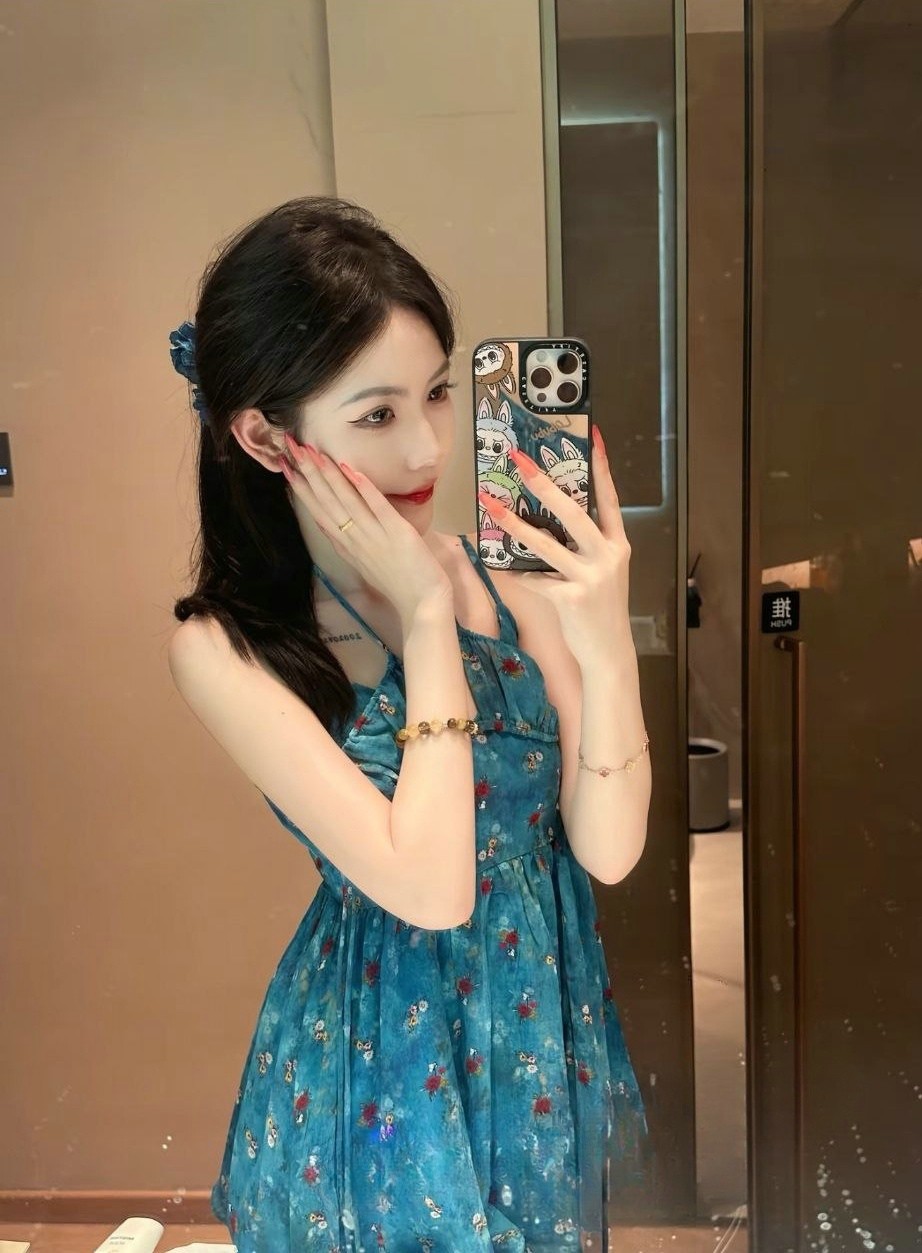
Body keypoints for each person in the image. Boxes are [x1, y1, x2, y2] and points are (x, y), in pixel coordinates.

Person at [167, 196, 651, 1253]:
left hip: (537, 1026)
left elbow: (609, 851)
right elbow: (432, 890)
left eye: (435, 392)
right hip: (380, 1061)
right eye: (377, 415)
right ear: (264, 434)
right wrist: (428, 621)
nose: (428, 447)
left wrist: (606, 640)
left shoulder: (505, 578)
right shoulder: (228, 645)